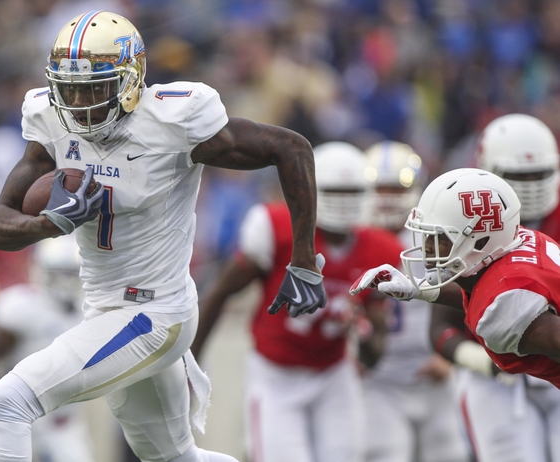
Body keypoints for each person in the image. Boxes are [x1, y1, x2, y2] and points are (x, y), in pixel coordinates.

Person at [0, 10, 325, 462]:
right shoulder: (51, 122)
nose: (80, 102)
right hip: (105, 309)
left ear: (130, 80)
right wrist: (49, 224)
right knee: (173, 457)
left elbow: (291, 147)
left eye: (95, 87)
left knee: (7, 403)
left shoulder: (171, 121)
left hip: (155, 312)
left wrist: (303, 256)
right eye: (71, 88)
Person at [191, 141, 405, 462]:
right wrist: (191, 362)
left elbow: (373, 356)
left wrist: (365, 334)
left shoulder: (381, 249)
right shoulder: (276, 227)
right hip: (276, 374)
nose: (344, 203)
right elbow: (221, 292)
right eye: (335, 192)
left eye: (352, 193)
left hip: (333, 373)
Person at [349, 167, 560, 391]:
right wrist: (418, 289)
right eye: (426, 236)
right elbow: (485, 292)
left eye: (440, 238)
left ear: (479, 242)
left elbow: (501, 303)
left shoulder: (506, 305)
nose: (427, 250)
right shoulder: (515, 241)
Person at [429, 114, 560, 462]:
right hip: (496, 381)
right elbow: (439, 329)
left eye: (539, 174)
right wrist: (480, 362)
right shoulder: (466, 221)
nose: (529, 185)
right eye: (517, 176)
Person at [362, 141, 470, 462]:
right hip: (380, 381)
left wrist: (450, 357)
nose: (386, 198)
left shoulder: (431, 238)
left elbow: (466, 295)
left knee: (450, 455)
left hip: (433, 372)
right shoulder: (354, 238)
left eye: (396, 188)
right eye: (379, 188)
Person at [0, 234, 96, 462]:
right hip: (19, 418)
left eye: (71, 275)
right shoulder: (21, 308)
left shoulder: (91, 310)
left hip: (64, 423)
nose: (65, 283)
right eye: (59, 275)